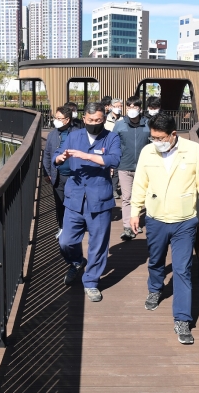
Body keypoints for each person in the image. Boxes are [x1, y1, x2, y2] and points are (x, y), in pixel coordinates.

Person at [130, 113, 199, 344]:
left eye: (160, 137)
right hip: (156, 218)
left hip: (185, 220)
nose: (155, 141)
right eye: (153, 137)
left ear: (173, 135)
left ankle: (182, 320)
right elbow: (140, 183)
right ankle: (155, 288)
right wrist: (134, 212)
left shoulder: (193, 151)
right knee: (156, 260)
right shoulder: (148, 152)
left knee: (182, 269)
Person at [53, 102, 121, 302]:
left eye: (98, 120)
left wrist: (87, 156)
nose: (94, 123)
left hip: (99, 199)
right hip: (74, 198)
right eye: (90, 120)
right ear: (83, 119)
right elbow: (57, 155)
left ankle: (91, 282)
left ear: (103, 119)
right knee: (66, 241)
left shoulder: (111, 137)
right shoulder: (74, 136)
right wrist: (60, 158)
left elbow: (114, 160)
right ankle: (76, 261)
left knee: (98, 244)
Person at [112, 95, 150, 240]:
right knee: (127, 197)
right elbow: (114, 145)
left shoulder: (148, 124)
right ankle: (128, 226)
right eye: (129, 107)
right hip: (124, 166)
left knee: (140, 197)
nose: (132, 110)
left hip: (143, 168)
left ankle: (136, 221)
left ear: (140, 108)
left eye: (135, 107)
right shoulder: (120, 124)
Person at [42, 105, 75, 239]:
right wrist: (47, 172)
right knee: (60, 203)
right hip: (57, 175)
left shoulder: (78, 133)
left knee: (73, 204)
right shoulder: (52, 134)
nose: (56, 120)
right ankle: (61, 226)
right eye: (55, 118)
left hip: (74, 176)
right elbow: (47, 155)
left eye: (59, 118)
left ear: (67, 120)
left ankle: (72, 228)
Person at [105, 98, 123, 199]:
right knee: (111, 169)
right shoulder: (105, 119)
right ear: (111, 107)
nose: (118, 108)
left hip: (121, 146)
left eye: (120, 106)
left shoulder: (123, 120)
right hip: (109, 148)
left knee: (118, 170)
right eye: (116, 106)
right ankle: (111, 189)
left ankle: (115, 189)